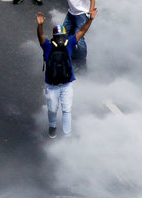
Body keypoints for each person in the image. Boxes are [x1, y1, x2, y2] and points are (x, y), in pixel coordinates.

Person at [37, 10, 97, 138]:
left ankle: (67, 133)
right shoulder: (47, 46)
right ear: (54, 37)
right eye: (58, 37)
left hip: (67, 84)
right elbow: (40, 37)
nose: (60, 39)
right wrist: (40, 25)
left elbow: (82, 31)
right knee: (52, 109)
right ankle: (52, 126)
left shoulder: (69, 43)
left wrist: (90, 20)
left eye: (62, 36)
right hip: (51, 85)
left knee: (67, 110)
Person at [63, 0, 96, 67]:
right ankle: (73, 56)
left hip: (82, 14)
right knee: (64, 35)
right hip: (71, 12)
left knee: (79, 39)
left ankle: (82, 62)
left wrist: (91, 10)